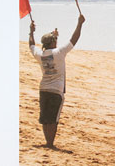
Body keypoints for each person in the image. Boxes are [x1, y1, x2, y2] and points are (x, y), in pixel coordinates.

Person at [29, 14, 85, 148]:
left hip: (43, 88)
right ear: (53, 42)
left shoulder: (40, 54)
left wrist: (31, 31)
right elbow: (73, 40)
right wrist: (80, 24)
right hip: (56, 90)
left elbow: (31, 44)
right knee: (53, 119)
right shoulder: (59, 52)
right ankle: (50, 143)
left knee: (45, 118)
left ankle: (47, 142)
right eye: (55, 40)